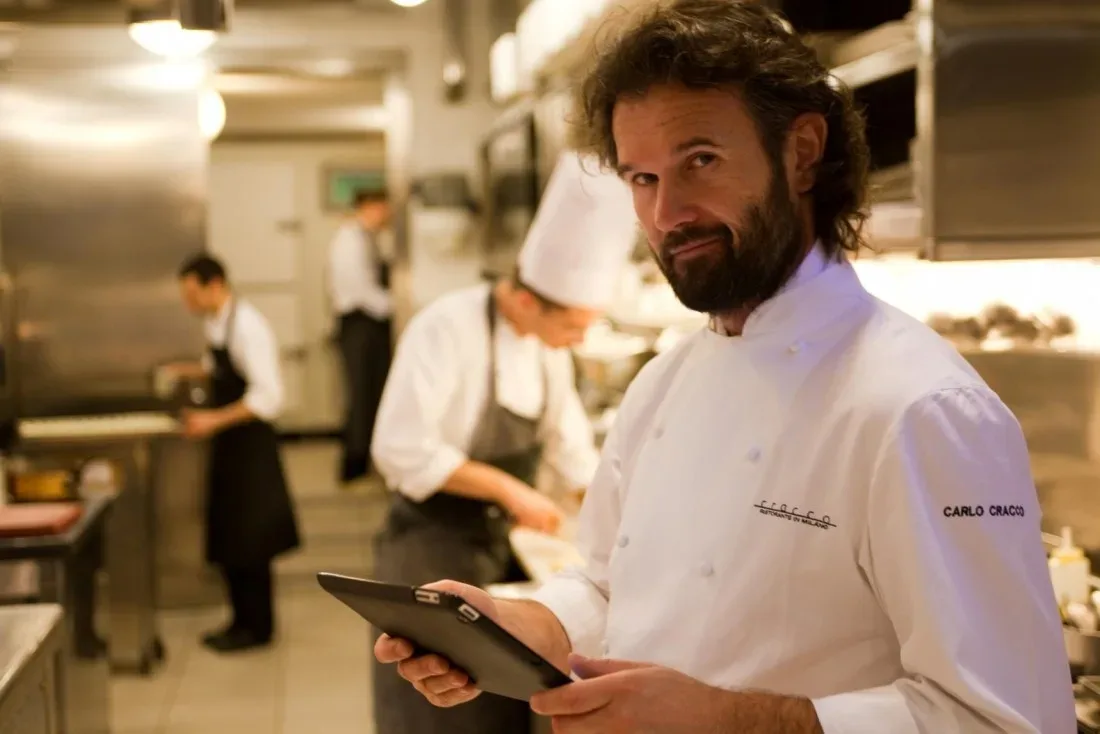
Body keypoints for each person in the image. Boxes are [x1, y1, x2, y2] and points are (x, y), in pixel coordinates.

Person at [374, 1, 1075, 732]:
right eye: (642, 178)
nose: (668, 213)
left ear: (802, 152)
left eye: (700, 161)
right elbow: (610, 584)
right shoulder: (663, 384)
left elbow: (1009, 719)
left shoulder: (924, 410)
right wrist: (525, 624)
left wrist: (728, 719)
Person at [368, 151, 638, 734]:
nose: (577, 340)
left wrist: (616, 517)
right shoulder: (445, 327)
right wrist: (512, 492)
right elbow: (400, 447)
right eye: (572, 326)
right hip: (431, 540)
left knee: (496, 702)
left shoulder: (546, 349)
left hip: (499, 548)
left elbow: (570, 447)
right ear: (525, 301)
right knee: (434, 705)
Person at [174, 254, 301, 653]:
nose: (188, 303)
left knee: (252, 538)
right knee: (232, 535)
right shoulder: (217, 323)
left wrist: (212, 420)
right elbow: (219, 368)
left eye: (192, 294)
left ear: (215, 285)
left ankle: (257, 627)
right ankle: (240, 619)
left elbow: (268, 397)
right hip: (230, 445)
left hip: (251, 446)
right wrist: (185, 371)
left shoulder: (248, 325)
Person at [327, 188, 394, 485]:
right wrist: (395, 307)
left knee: (372, 391)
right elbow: (360, 290)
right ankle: (354, 462)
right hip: (359, 323)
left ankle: (366, 459)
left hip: (369, 321)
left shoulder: (368, 238)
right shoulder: (349, 241)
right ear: (370, 206)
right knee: (360, 392)